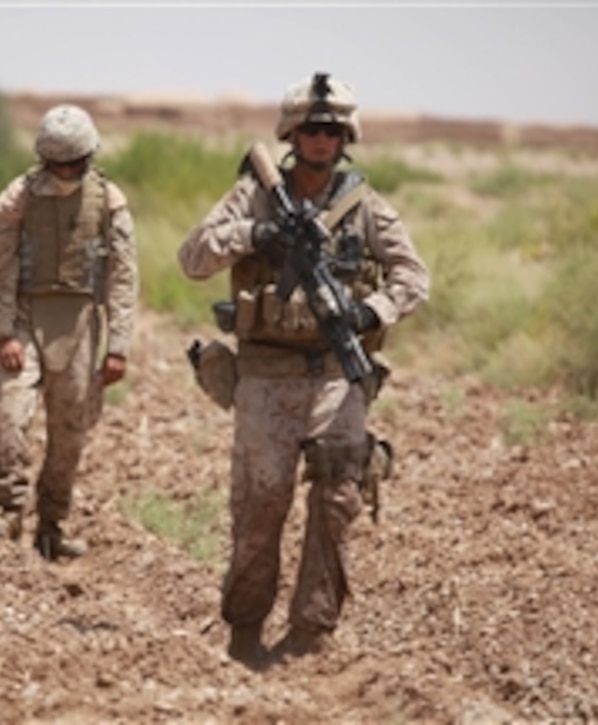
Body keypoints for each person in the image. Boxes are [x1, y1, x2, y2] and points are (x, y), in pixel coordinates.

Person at [177, 72, 430, 665]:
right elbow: (193, 257)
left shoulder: (365, 207)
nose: (322, 138)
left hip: (337, 377)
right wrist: (256, 233)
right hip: (266, 376)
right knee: (261, 504)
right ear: (292, 132)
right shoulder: (254, 194)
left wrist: (372, 310)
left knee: (338, 499)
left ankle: (312, 633)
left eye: (333, 129)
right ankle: (244, 630)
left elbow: (413, 277)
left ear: (348, 135)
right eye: (312, 128)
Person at [0, 104, 138, 561]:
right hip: (27, 319)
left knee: (70, 431)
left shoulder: (110, 200)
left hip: (80, 325)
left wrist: (119, 346)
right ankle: (7, 509)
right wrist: (3, 333)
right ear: (44, 159)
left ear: (90, 156)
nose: (67, 171)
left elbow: (123, 278)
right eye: (58, 163)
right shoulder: (18, 197)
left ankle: (52, 524)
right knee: (11, 413)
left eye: (75, 162)